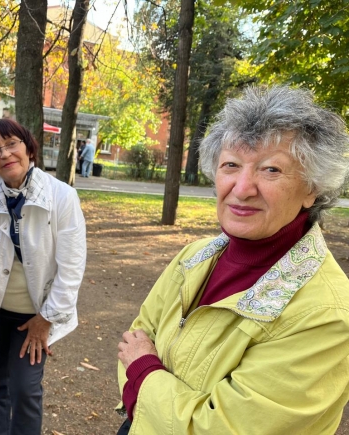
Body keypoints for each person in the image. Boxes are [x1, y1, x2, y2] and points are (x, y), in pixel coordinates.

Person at [116, 85, 349, 434]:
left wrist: (143, 373)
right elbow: (135, 337)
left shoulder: (327, 314)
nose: (242, 188)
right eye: (231, 165)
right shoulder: (194, 256)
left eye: (271, 170)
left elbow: (222, 428)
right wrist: (143, 379)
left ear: (313, 188)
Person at [0, 118, 86, 435]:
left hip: (35, 315)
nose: (5, 154)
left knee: (25, 390)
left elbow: (71, 265)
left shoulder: (62, 197)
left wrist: (48, 317)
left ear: (28, 147)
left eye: (11, 144)